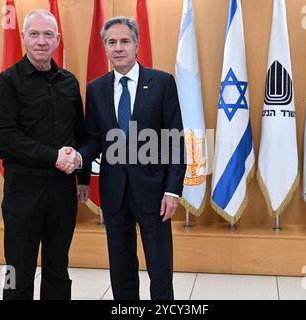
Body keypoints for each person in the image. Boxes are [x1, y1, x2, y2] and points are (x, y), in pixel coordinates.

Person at [75, 16, 186, 300]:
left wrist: (172, 190)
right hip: (114, 193)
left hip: (154, 193)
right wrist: (82, 174)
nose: (118, 48)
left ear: (136, 44)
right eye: (112, 42)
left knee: (160, 268)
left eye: (125, 41)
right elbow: (92, 139)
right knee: (121, 267)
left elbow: (175, 139)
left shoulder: (161, 82)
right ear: (105, 48)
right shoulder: (96, 88)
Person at [0, 9, 89, 300]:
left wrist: (83, 177)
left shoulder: (69, 81)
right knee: (16, 271)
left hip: (61, 191)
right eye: (34, 34)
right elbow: (4, 137)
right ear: (23, 38)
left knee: (58, 267)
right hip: (23, 190)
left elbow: (79, 133)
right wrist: (53, 156)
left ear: (57, 40)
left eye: (48, 34)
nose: (41, 41)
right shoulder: (7, 82)